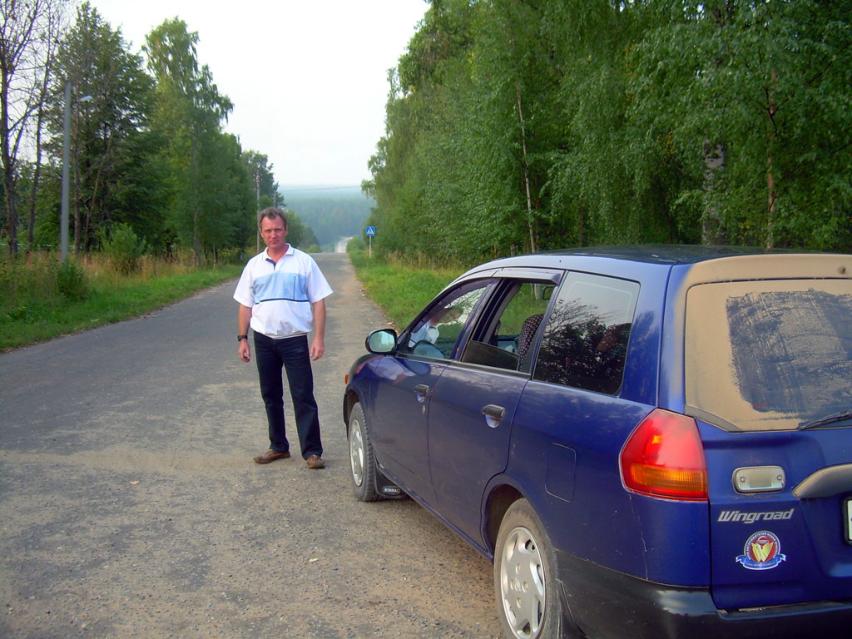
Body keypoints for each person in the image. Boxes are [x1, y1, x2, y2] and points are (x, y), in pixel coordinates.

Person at [233, 208, 332, 469]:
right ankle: (278, 446)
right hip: (264, 339)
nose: (273, 235)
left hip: (294, 339)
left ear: (285, 230)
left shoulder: (303, 262)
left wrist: (318, 338)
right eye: (268, 230)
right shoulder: (254, 266)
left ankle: (312, 452)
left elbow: (319, 302)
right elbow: (245, 305)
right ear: (261, 233)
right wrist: (242, 338)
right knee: (270, 394)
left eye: (277, 229)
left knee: (303, 394)